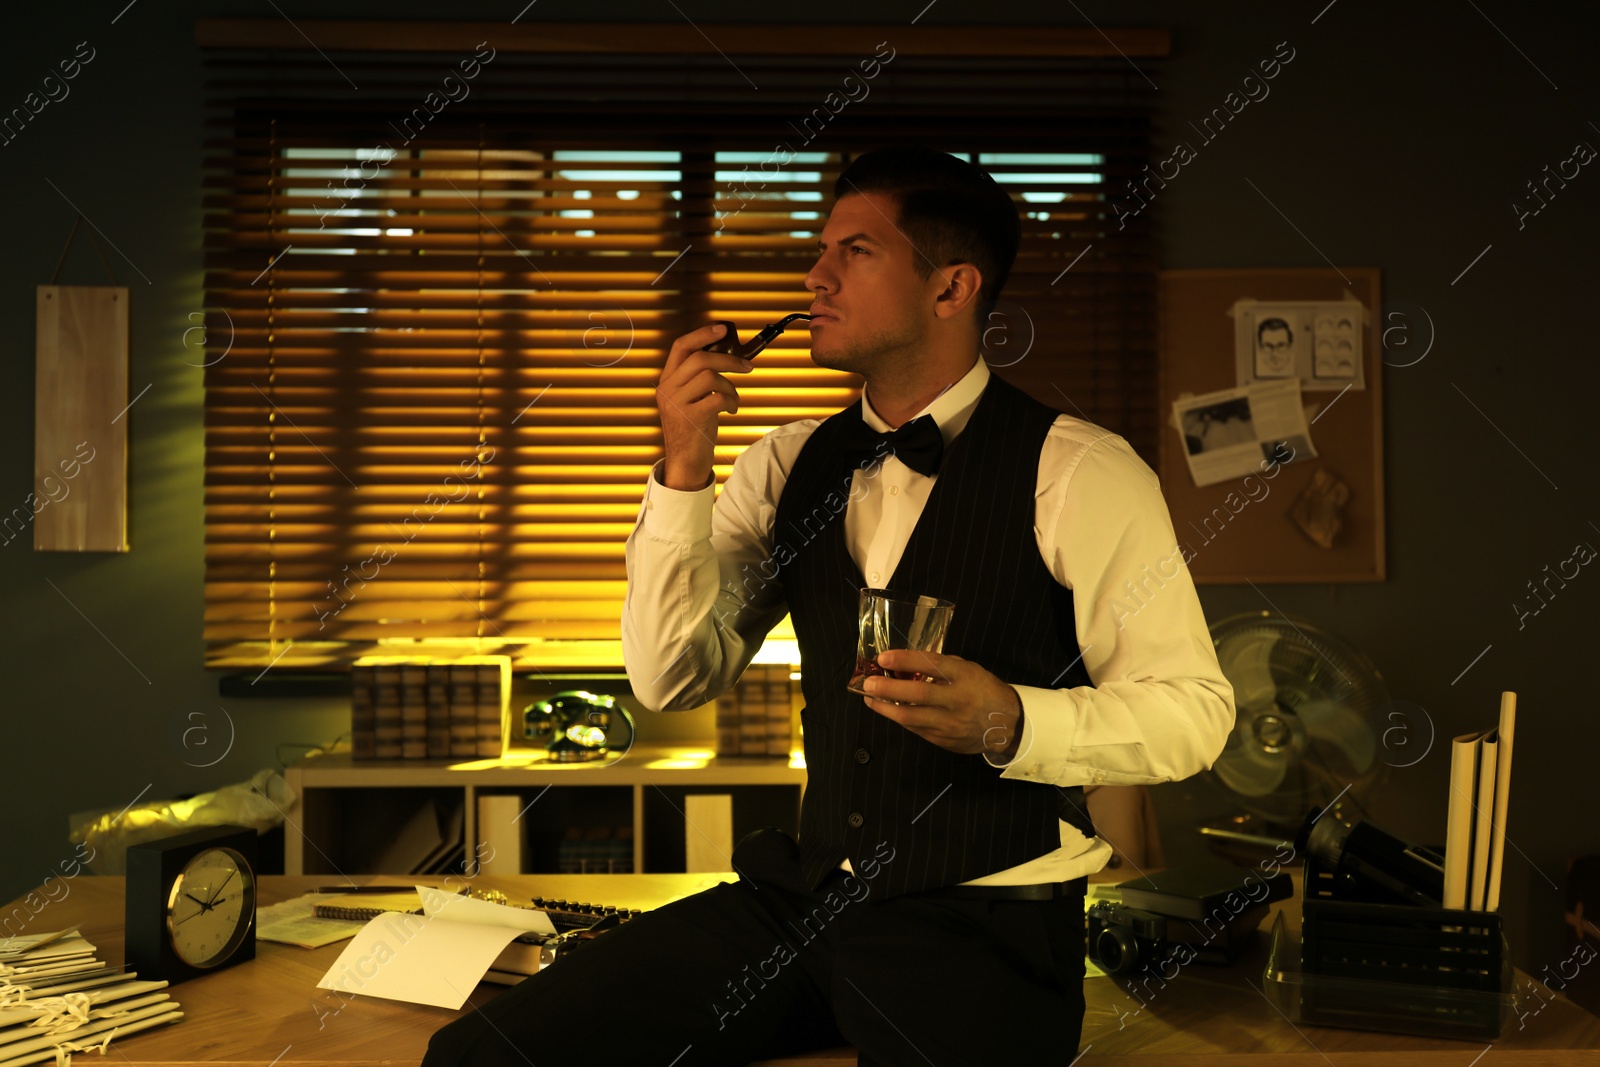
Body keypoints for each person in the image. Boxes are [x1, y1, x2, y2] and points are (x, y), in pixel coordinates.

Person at [422, 147, 1234, 1067]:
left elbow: (1196, 712)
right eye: (822, 250)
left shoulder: (1082, 471)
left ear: (950, 287)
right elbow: (668, 674)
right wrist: (684, 463)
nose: (815, 275)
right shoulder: (782, 464)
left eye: (855, 250)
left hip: (987, 925)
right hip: (804, 901)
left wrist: (1012, 719)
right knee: (483, 1056)